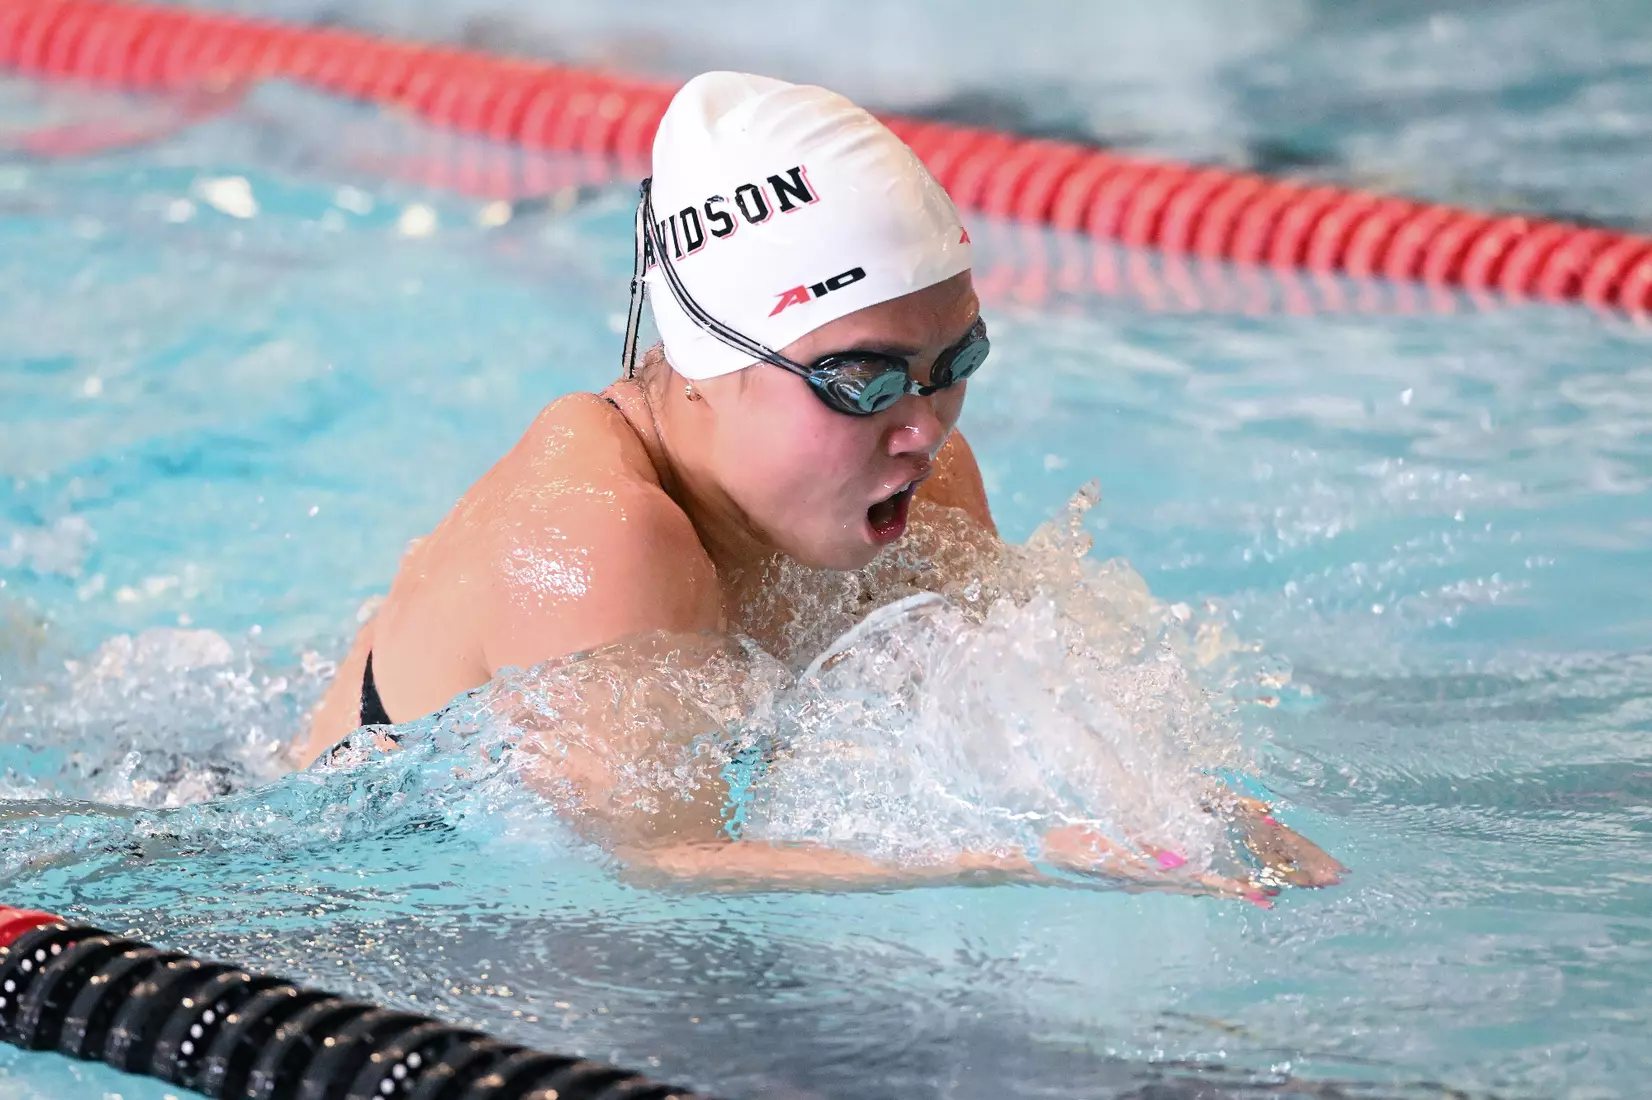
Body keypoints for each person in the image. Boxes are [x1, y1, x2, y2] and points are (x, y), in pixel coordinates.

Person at [293, 72, 1343, 898]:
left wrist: (1176, 815)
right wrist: (1021, 860)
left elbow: (1014, 719)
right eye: (861, 380)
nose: (922, 428)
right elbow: (647, 870)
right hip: (343, 884)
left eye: (953, 364)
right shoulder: (601, 543)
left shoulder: (913, 478)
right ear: (706, 364)